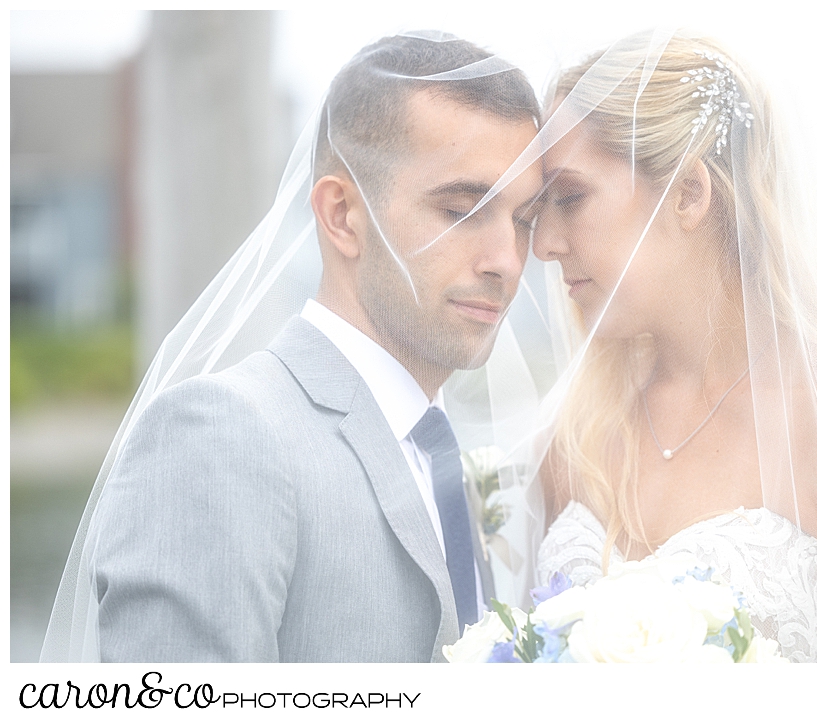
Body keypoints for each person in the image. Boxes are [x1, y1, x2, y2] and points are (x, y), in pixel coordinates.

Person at [40, 33, 542, 663]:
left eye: (523, 222)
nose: (507, 262)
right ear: (340, 215)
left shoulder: (469, 460)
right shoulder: (220, 437)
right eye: (462, 210)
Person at [524, 31, 817, 662]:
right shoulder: (572, 437)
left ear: (688, 193)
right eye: (538, 209)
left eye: (571, 199)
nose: (544, 243)